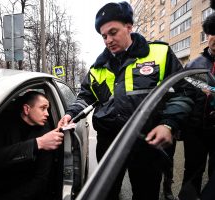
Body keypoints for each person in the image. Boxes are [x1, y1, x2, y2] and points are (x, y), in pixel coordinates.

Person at [60, 2, 194, 200]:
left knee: (146, 193)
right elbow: (86, 96)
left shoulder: (159, 54)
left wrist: (168, 124)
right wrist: (71, 113)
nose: (108, 40)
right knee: (107, 193)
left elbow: (185, 92)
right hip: (109, 143)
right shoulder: (98, 68)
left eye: (113, 32)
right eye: (104, 36)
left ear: (129, 27)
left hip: (146, 142)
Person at [0, 91, 64, 200]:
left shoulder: (47, 133)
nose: (47, 114)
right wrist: (37, 144)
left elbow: (41, 179)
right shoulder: (2, 125)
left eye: (47, 109)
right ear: (26, 109)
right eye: (43, 108)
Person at [178, 12, 215, 200]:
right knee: (192, 172)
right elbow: (182, 96)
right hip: (196, 132)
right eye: (213, 32)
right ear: (207, 35)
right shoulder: (194, 65)